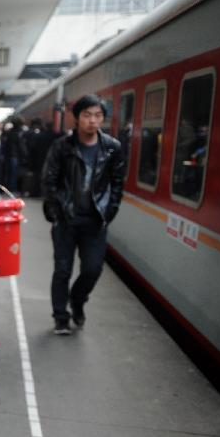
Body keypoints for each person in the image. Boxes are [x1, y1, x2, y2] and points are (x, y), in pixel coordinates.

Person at [42, 94, 126, 335]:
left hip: (95, 221)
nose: (93, 121)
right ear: (77, 118)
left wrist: (109, 212)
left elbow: (117, 183)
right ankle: (61, 316)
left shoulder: (112, 148)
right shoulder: (62, 147)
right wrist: (56, 213)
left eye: (98, 115)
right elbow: (49, 180)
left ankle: (77, 301)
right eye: (87, 115)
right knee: (62, 270)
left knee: (92, 269)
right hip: (66, 220)